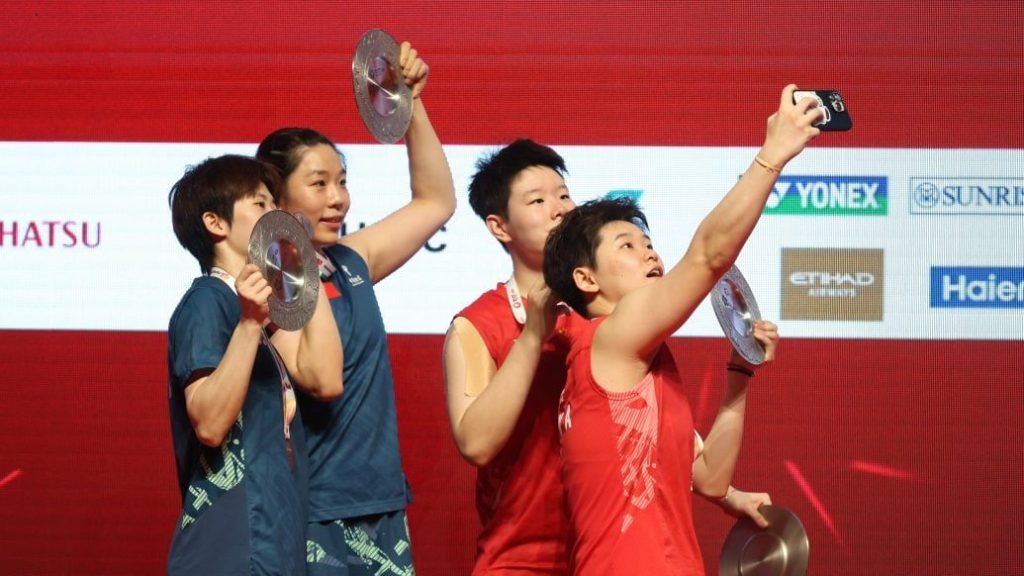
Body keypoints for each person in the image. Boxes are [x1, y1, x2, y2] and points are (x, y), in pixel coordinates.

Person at [443, 139, 776, 575]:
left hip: (598, 555)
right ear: (499, 226)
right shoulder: (478, 325)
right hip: (520, 563)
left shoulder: (607, 325)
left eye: (564, 194)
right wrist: (533, 336)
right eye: (538, 201)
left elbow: (668, 450)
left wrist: (726, 494)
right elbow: (476, 443)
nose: (559, 209)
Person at [541, 84, 820, 575]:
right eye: (627, 246)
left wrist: (740, 371)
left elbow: (710, 479)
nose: (649, 253)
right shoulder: (607, 338)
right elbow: (709, 256)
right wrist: (773, 155)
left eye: (647, 242)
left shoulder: (634, 368)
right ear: (586, 280)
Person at [255, 41, 455, 576]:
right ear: (275, 196)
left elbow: (436, 202)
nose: (338, 198)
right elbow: (321, 381)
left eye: (341, 182)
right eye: (319, 184)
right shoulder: (268, 286)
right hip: (315, 512)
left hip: (382, 503)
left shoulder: (349, 260)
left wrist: (411, 105)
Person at [165, 154, 342, 575]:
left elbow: (327, 378)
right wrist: (247, 325)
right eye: (261, 204)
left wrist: (297, 264)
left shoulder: (259, 319)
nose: (276, 215)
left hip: (273, 546)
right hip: (229, 549)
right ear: (216, 223)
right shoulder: (208, 300)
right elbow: (209, 423)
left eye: (275, 204)